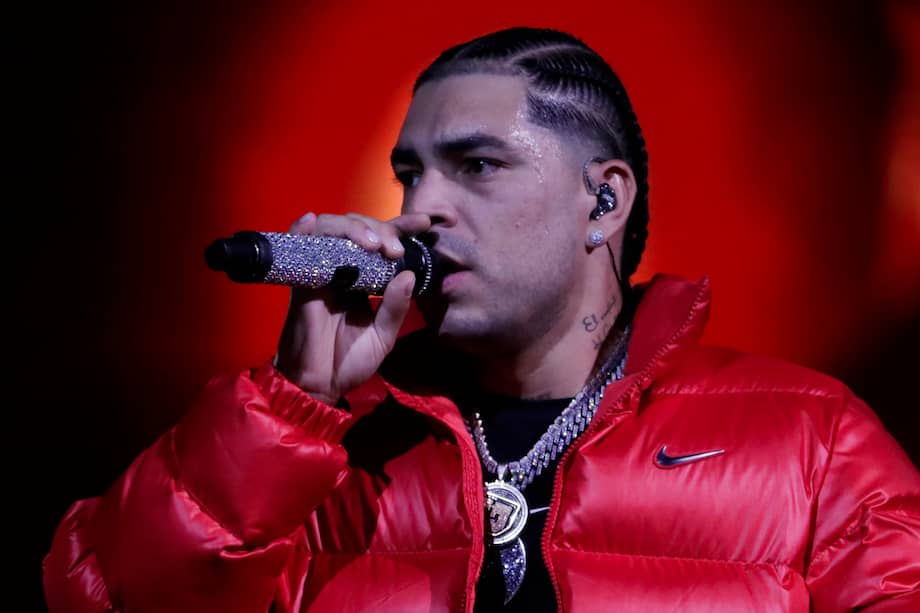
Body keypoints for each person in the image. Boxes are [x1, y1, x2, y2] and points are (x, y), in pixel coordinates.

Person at [43, 27, 919, 612]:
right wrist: (290, 404)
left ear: (603, 201)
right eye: (409, 174)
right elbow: (99, 594)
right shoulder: (325, 457)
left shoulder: (815, 439)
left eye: (475, 165)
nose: (421, 207)